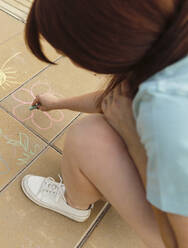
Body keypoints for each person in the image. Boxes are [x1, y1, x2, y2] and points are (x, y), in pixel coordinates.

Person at [21, 0, 188, 247]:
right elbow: (116, 100)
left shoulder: (165, 105)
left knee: (87, 137)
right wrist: (58, 103)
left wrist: (133, 141)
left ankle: (74, 203)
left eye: (68, 53)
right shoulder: (172, 36)